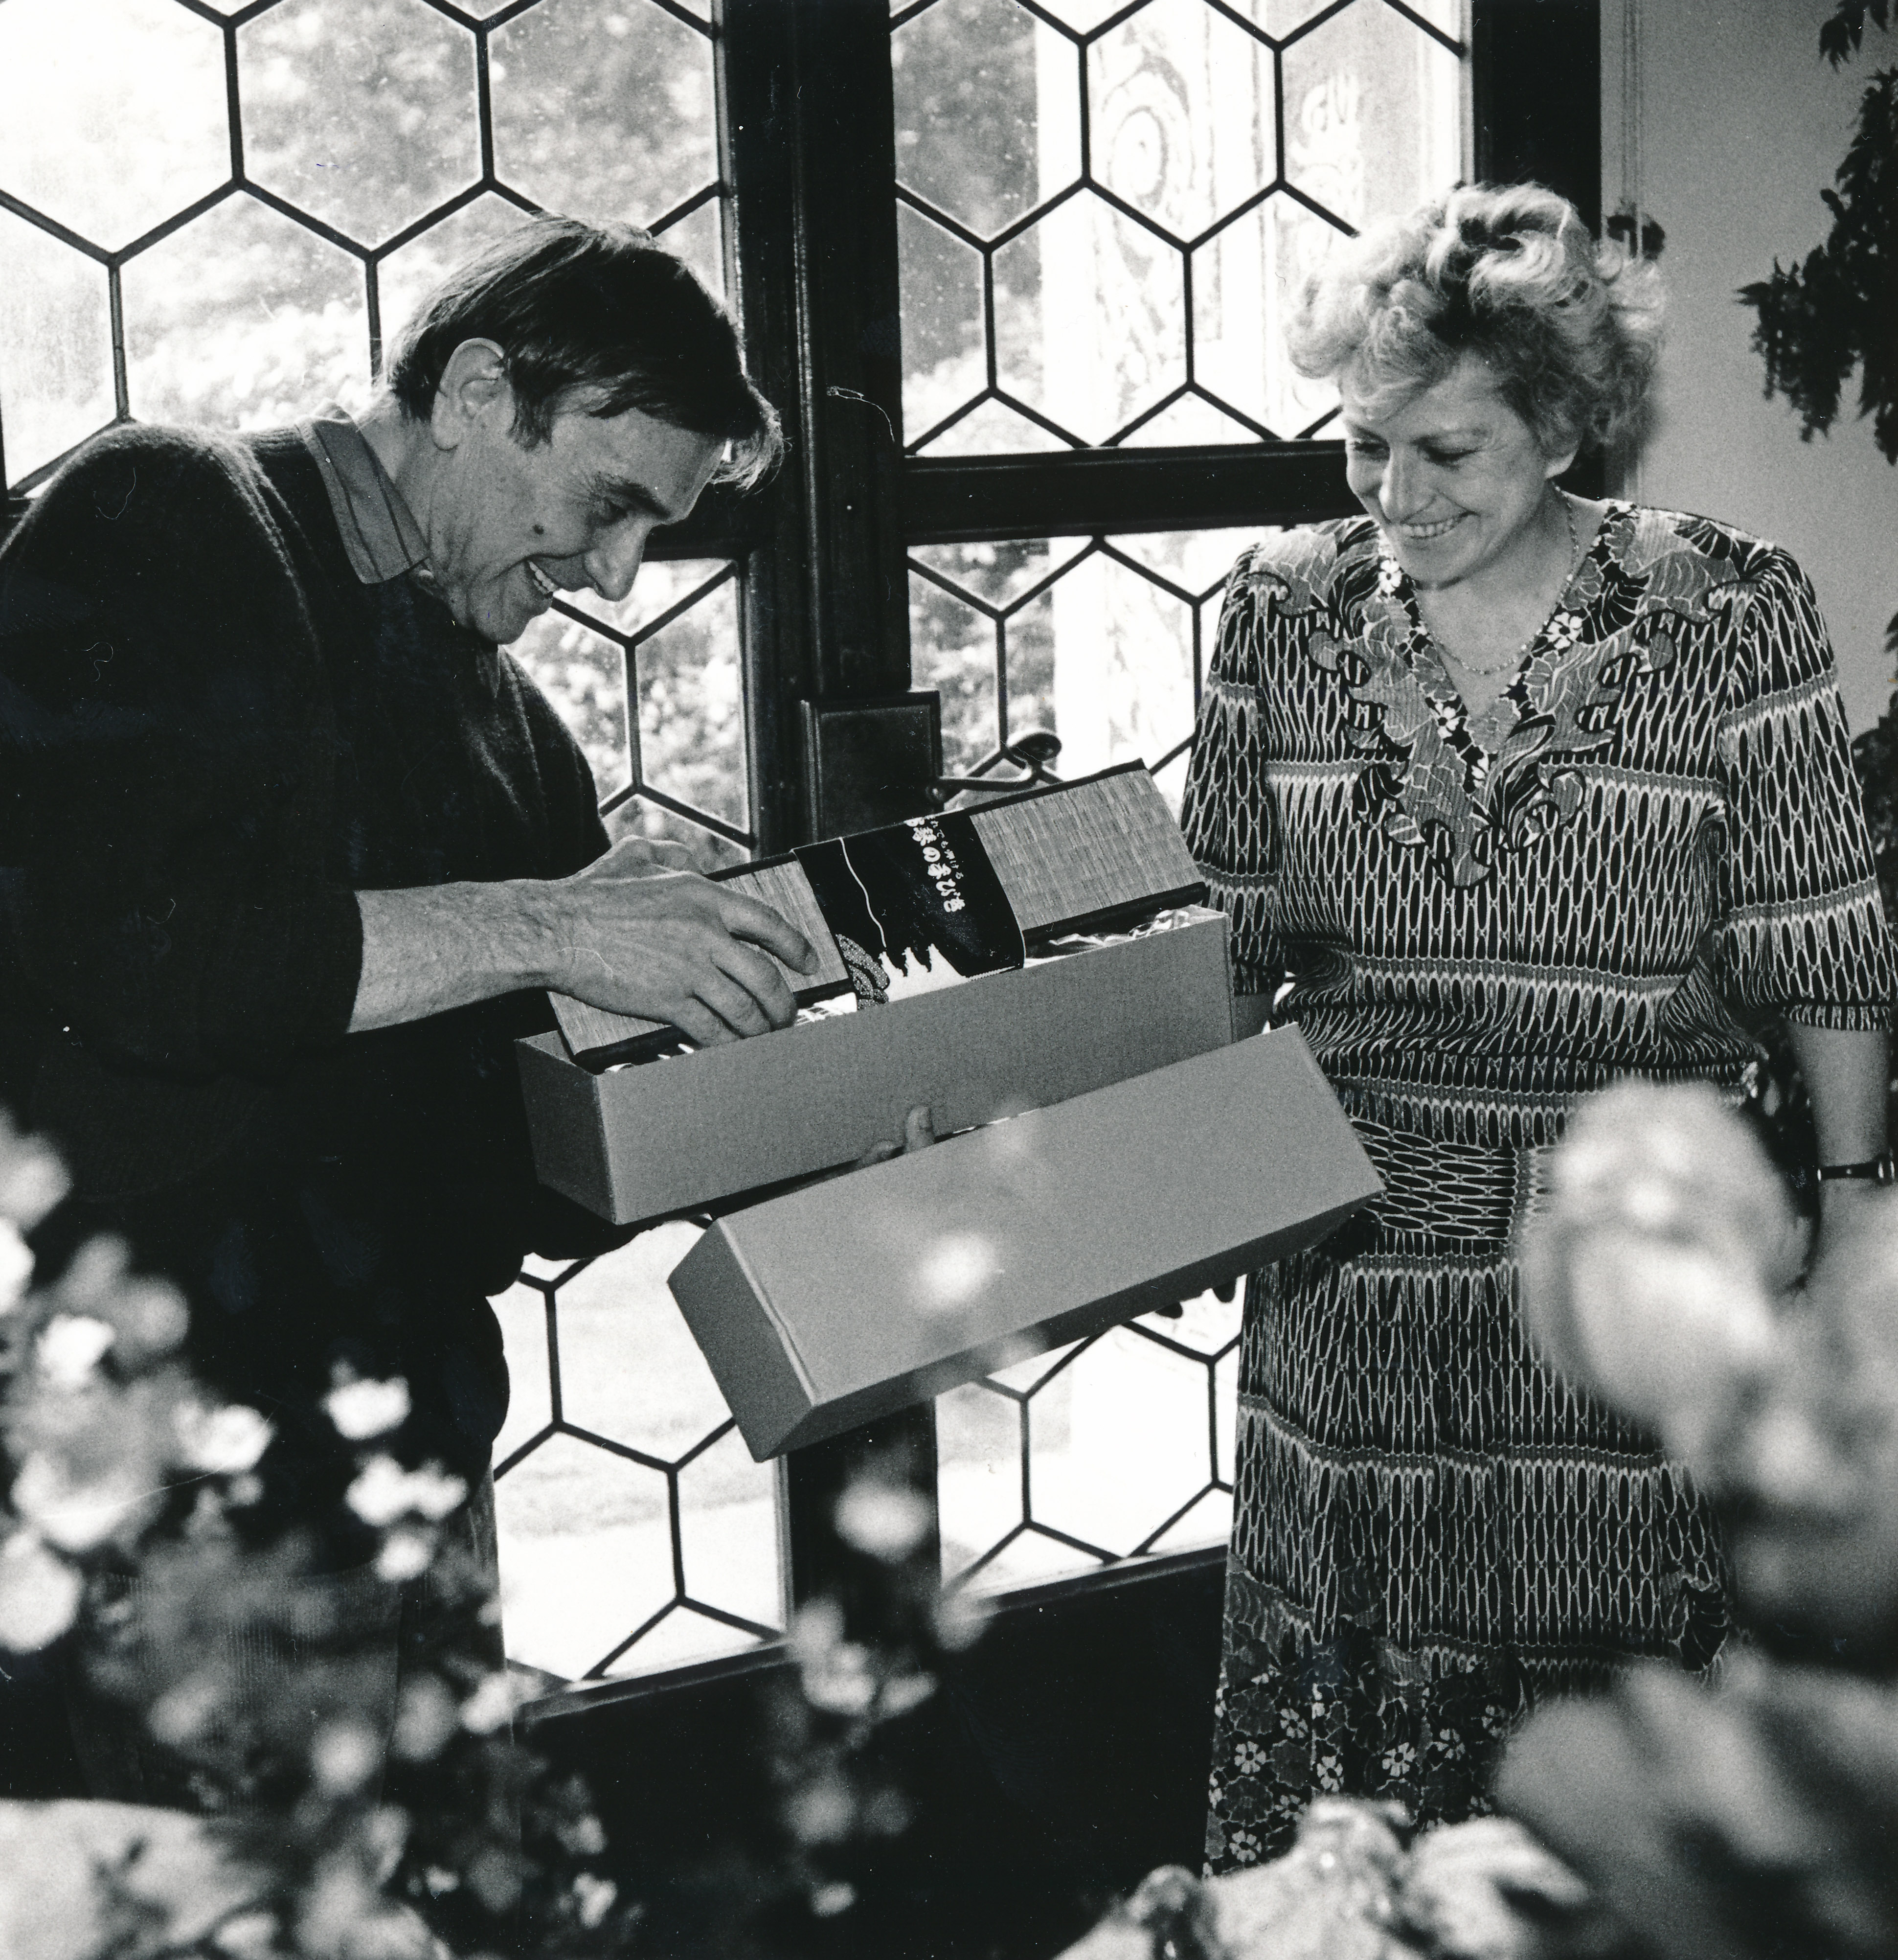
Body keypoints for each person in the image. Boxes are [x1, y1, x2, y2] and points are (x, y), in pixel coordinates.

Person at [1182, 182, 1896, 1868]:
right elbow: (1224, 943)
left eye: (1449, 450)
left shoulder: (1732, 610)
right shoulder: (1277, 614)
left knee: (1629, 1750)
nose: (1395, 494)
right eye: (1365, 446)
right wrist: (1171, 1171)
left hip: (1635, 1257)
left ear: (1565, 427)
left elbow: (1826, 941)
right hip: (1359, 1271)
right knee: (1365, 1775)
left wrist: (1857, 1210)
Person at [0, 217, 817, 1556]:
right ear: (478, 392)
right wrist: (550, 927)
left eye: (650, 533)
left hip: (414, 1471)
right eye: (610, 505)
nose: (616, 576)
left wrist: (793, 1110)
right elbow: (134, 959)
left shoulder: (514, 725)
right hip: (159, 1483)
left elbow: (531, 1181)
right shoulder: (167, 510)